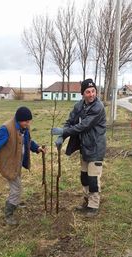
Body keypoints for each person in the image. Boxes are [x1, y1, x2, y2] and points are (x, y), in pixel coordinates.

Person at [51, 78, 106, 218]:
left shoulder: (98, 108)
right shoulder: (79, 106)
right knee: (84, 177)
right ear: (83, 93)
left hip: (95, 148)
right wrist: (62, 137)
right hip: (84, 148)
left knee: (93, 178)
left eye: (93, 91)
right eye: (88, 92)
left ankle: (93, 205)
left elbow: (83, 126)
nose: (92, 94)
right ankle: (87, 201)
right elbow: (71, 121)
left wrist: (64, 132)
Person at [0, 106, 45, 225]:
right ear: (19, 120)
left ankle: (15, 202)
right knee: (17, 189)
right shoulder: (6, 129)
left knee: (17, 186)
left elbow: (27, 141)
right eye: (26, 121)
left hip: (17, 163)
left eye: (29, 121)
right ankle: (8, 214)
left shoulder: (24, 127)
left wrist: (37, 148)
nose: (28, 124)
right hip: (9, 165)